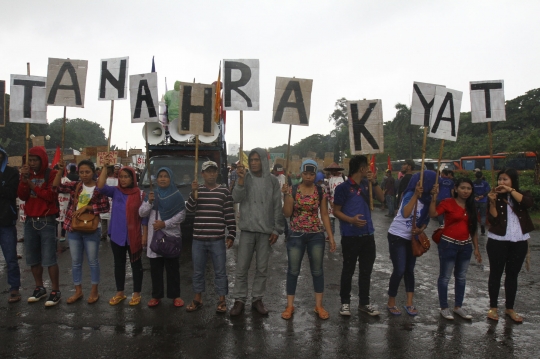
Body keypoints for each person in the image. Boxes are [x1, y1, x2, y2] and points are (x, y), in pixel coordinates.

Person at [230, 148, 285, 316]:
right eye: (251, 160)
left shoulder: (273, 182)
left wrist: (277, 229)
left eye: (257, 159)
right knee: (242, 268)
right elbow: (236, 198)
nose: (253, 162)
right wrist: (240, 181)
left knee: (262, 268)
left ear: (263, 161)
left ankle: (257, 299)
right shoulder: (244, 178)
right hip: (247, 230)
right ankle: (239, 300)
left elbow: (277, 206)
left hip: (265, 232)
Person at [280, 160, 336, 320]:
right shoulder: (293, 189)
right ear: (301, 173)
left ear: (315, 174)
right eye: (306, 174)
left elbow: (324, 214)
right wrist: (286, 196)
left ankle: (319, 305)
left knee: (317, 271)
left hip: (316, 235)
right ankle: (290, 306)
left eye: (312, 174)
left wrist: (330, 237)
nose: (309, 177)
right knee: (293, 271)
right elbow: (287, 213)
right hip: (296, 234)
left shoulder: (320, 191)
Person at [333, 155, 385, 317]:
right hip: (350, 236)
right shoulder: (342, 188)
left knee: (366, 271)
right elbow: (336, 211)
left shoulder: (367, 184)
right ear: (361, 169)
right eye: (367, 167)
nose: (369, 170)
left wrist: (374, 182)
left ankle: (364, 303)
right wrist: (351, 220)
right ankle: (345, 303)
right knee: (348, 270)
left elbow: (382, 199)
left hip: (368, 235)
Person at [53, 160, 110, 304]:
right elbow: (56, 187)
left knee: (93, 261)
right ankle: (78, 291)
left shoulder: (100, 187)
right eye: (81, 172)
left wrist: (88, 208)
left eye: (87, 172)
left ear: (94, 172)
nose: (84, 175)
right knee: (76, 262)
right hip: (74, 228)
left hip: (91, 229)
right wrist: (60, 171)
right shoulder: (76, 186)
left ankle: (94, 291)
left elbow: (105, 207)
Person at [185, 161, 236, 313]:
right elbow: (189, 210)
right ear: (202, 174)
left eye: (214, 171)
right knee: (198, 271)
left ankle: (222, 300)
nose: (212, 174)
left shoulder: (224, 192)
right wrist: (193, 194)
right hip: (198, 239)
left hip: (217, 239)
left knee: (220, 271)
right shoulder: (197, 190)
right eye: (208, 171)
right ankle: (197, 299)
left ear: (217, 173)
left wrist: (232, 233)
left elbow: (229, 214)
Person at [485, 168, 534, 323]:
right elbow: (493, 220)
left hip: (519, 240)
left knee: (512, 274)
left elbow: (527, 203)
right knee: (496, 273)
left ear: (512, 181)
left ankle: (510, 308)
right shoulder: (495, 196)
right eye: (500, 179)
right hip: (498, 241)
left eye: (505, 179)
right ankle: (493, 307)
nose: (501, 182)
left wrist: (510, 191)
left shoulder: (522, 194)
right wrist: (492, 202)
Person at [429, 178, 482, 320]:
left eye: (469, 189)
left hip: (466, 246)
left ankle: (458, 306)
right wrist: (434, 197)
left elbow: (473, 229)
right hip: (448, 244)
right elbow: (433, 214)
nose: (466, 191)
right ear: (456, 189)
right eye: (463, 188)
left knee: (461, 277)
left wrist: (476, 248)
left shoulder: (472, 206)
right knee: (445, 277)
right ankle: (444, 307)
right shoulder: (448, 203)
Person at [386, 171, 437, 316]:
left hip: (413, 238)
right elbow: (405, 213)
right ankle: (391, 301)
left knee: (410, 269)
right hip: (397, 236)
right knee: (400, 269)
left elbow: (429, 218)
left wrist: (421, 229)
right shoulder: (409, 194)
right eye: (432, 182)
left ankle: (409, 302)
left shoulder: (428, 199)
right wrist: (416, 194)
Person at [17, 146, 61, 306]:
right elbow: (22, 196)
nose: (32, 163)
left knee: (49, 258)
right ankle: (39, 287)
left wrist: (31, 184)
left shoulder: (52, 174)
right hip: (30, 221)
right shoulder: (25, 175)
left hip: (46, 220)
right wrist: (24, 181)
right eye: (29, 160)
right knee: (33, 258)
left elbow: (50, 195)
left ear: (42, 160)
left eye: (35, 160)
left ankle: (55, 290)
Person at [97, 161, 144, 306]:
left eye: (126, 177)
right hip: (117, 235)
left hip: (133, 236)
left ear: (133, 179)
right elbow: (100, 186)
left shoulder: (141, 194)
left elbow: (145, 215)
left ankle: (136, 293)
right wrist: (105, 168)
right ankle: (120, 293)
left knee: (136, 264)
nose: (123, 179)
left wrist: (145, 235)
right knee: (119, 264)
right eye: (121, 176)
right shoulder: (115, 191)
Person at [139, 167, 186, 308]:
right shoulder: (152, 195)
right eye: (160, 176)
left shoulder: (177, 196)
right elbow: (141, 213)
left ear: (171, 179)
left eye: (166, 176)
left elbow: (181, 215)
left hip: (171, 236)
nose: (163, 178)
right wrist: (149, 202)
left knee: (173, 269)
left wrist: (164, 224)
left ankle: (175, 295)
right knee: (155, 269)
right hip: (155, 239)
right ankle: (156, 296)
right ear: (156, 179)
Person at [0, 148, 22, 303]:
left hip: (6, 221)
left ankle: (14, 288)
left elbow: (11, 193)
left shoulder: (11, 173)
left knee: (11, 257)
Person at [323, 162, 346, 240]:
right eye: (331, 170)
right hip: (331, 203)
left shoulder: (344, 179)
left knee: (341, 220)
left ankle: (344, 235)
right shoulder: (329, 180)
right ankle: (330, 235)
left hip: (341, 203)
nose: (333, 172)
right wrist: (330, 201)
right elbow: (328, 192)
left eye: (334, 170)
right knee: (331, 221)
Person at [100, 165, 117, 241]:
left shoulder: (102, 180)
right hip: (110, 203)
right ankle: (111, 234)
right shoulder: (118, 180)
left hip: (108, 203)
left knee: (105, 220)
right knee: (111, 220)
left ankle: (105, 235)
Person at [473, 171, 491, 236]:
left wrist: (476, 196)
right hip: (483, 200)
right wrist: (483, 196)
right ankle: (482, 226)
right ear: (482, 176)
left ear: (475, 176)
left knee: (475, 214)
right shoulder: (485, 183)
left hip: (475, 200)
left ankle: (475, 228)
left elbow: (471, 191)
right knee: (483, 215)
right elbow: (488, 190)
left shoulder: (473, 183)